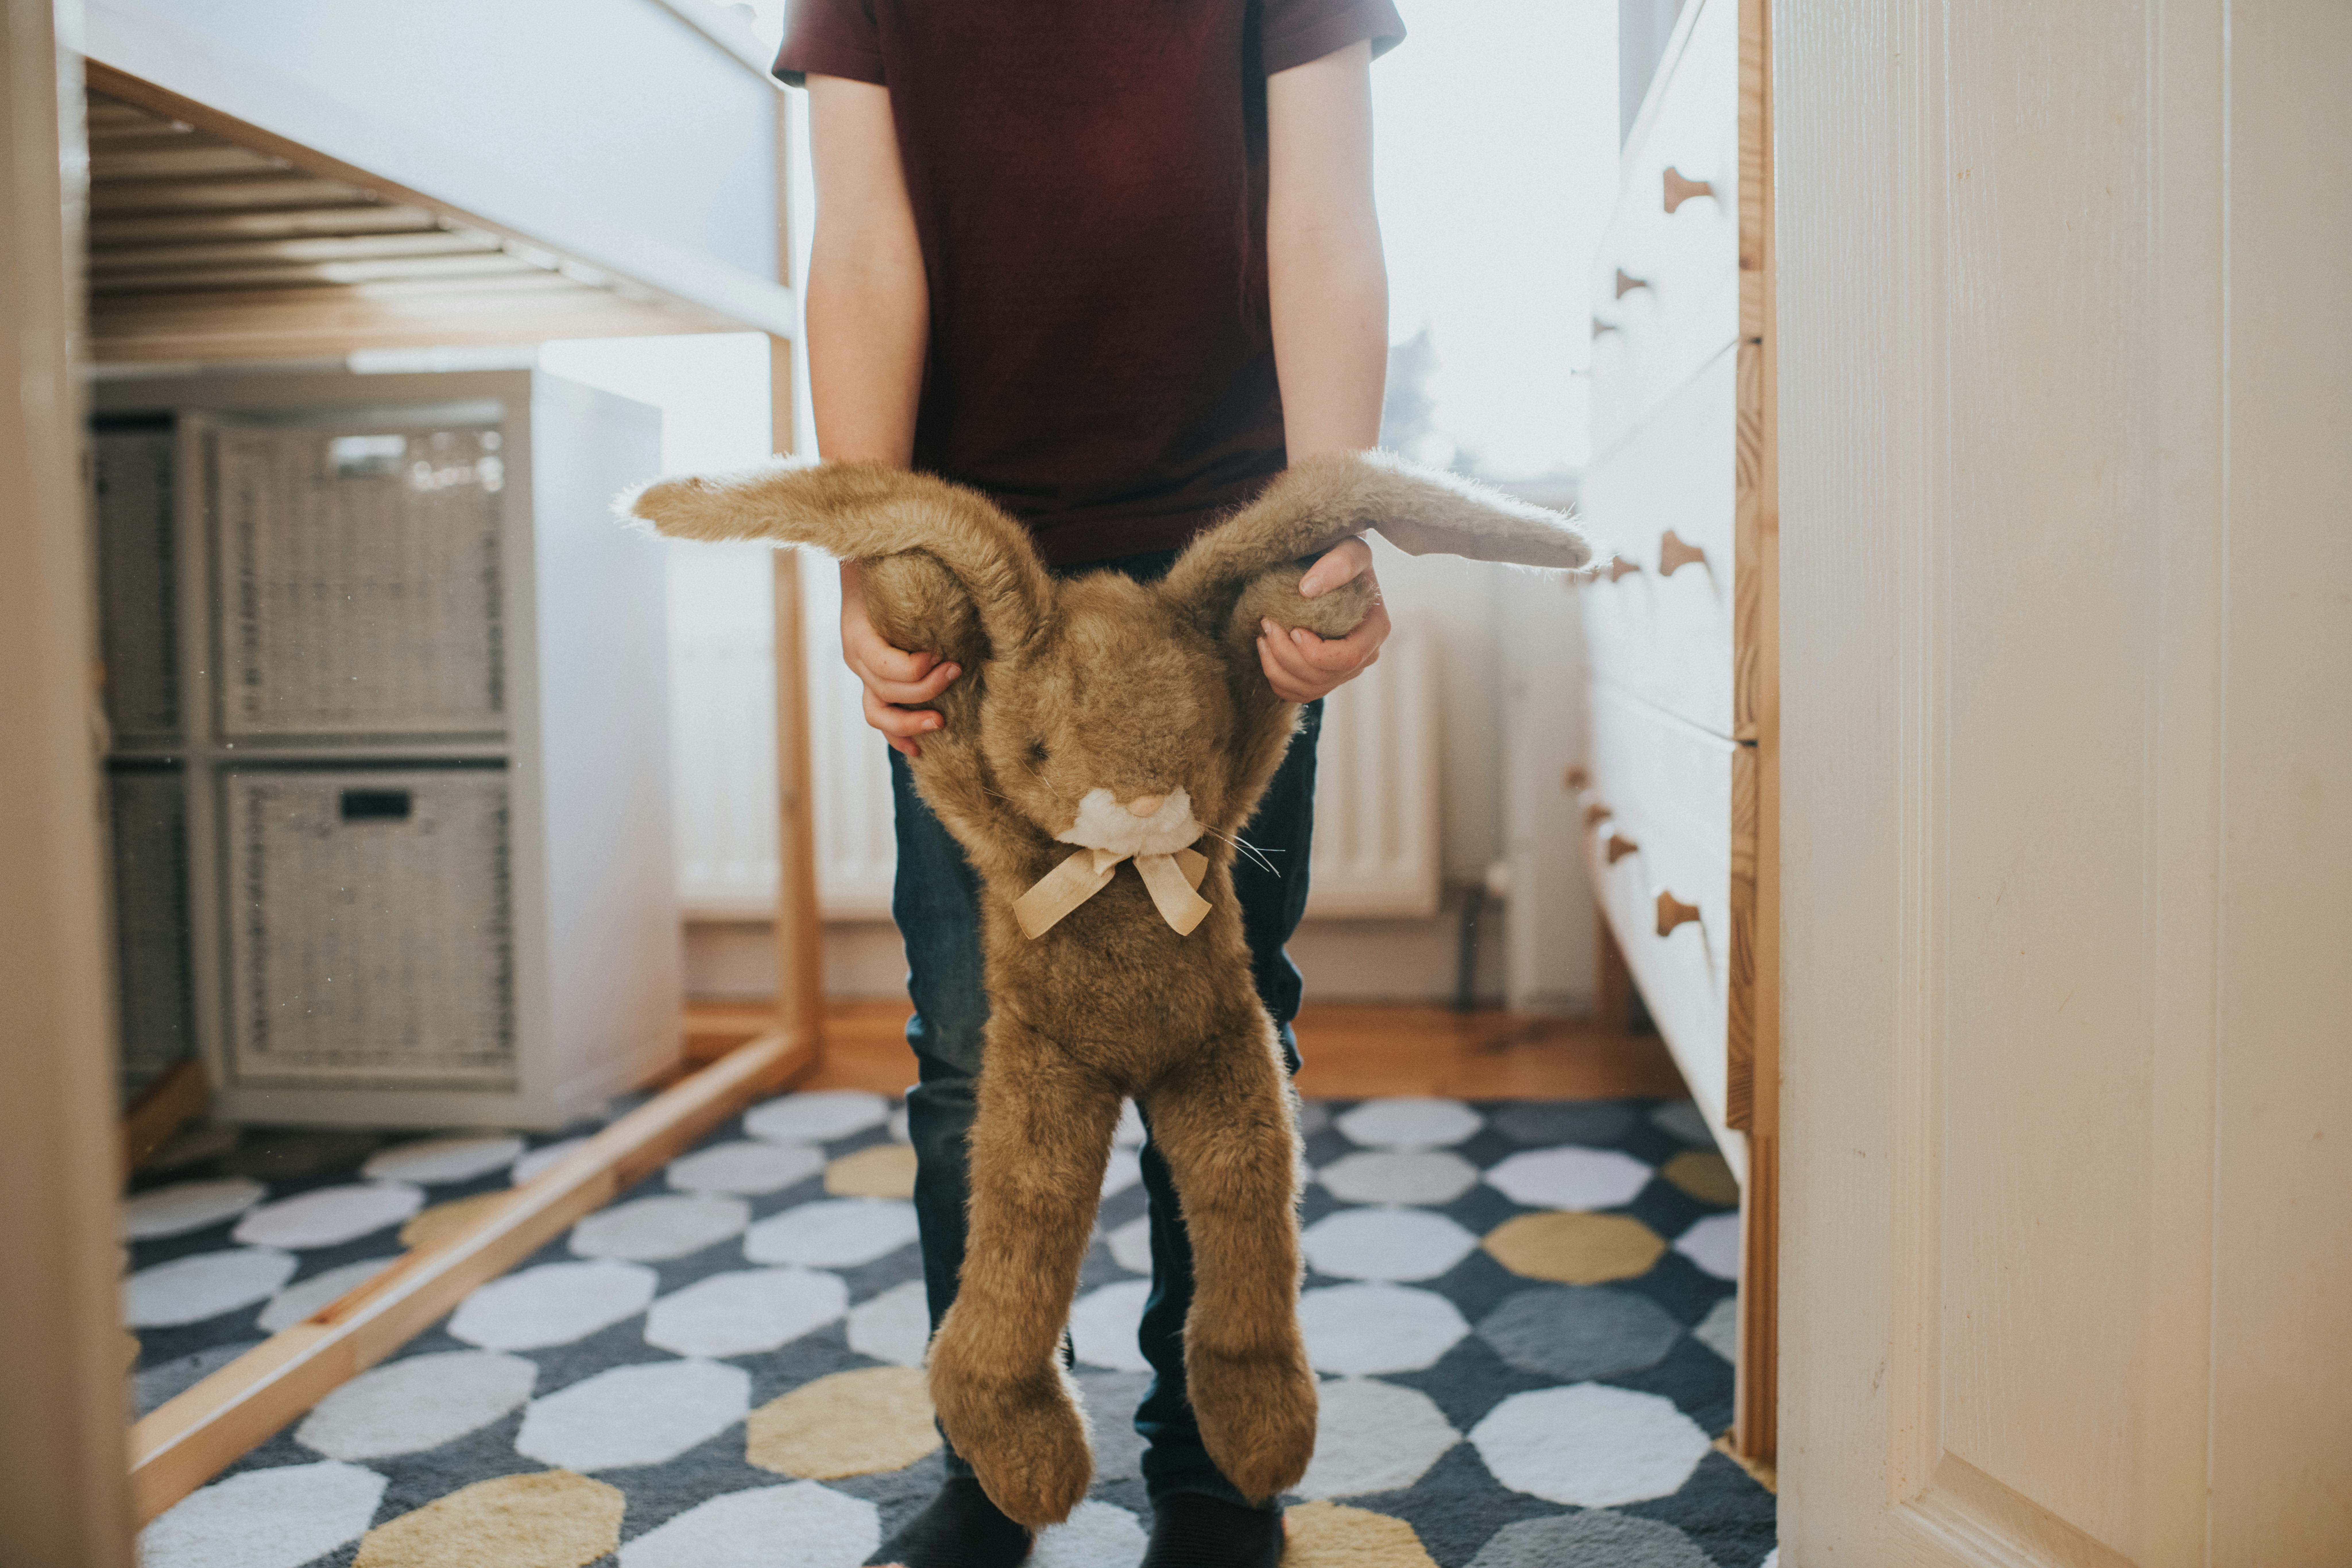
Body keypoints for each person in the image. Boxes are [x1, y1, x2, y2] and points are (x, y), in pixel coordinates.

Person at [775, 4, 1405, 1563]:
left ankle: (1210, 1454)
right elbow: (861, 241)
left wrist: (1330, 523)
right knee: (973, 1053)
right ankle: (994, 1432)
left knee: (1224, 1023)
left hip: (1220, 562)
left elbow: (1325, 217)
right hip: (980, 575)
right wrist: (872, 548)